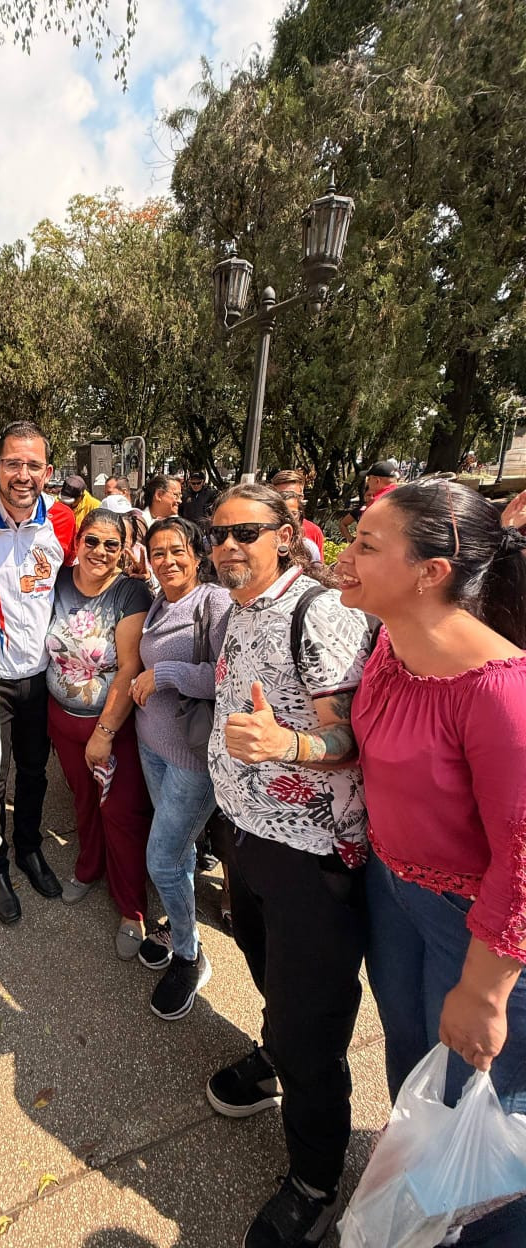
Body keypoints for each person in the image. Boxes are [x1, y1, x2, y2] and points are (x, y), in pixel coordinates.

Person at [338, 480, 526, 1246]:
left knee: (489, 1112)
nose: (342, 558)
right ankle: (418, 1213)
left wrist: (485, 992)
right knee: (417, 1070)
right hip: (393, 892)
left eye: (366, 547)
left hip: (474, 931)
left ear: (430, 571)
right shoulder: (391, 644)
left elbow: (522, 858)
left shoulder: (502, 696)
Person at [204, 483, 372, 1248]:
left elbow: (352, 743)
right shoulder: (240, 609)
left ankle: (314, 1180)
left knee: (313, 1025)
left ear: (285, 536)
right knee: (264, 968)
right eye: (219, 534)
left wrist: (289, 746)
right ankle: (276, 1053)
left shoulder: (321, 613)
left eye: (245, 531)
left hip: (311, 857)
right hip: (246, 836)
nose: (228, 545)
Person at [0, 420, 77, 924]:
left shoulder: (65, 521)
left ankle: (29, 848)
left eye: (32, 465)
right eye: (12, 463)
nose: (22, 474)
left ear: (47, 471)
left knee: (34, 771)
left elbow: (85, 573)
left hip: (41, 675)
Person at [130, 516, 231, 1018]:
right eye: (158, 552)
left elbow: (229, 675)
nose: (167, 561)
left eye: (177, 551)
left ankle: (190, 957)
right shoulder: (158, 602)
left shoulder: (214, 603)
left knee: (163, 860)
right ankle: (179, 922)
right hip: (152, 747)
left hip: (193, 758)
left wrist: (164, 673)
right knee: (180, 852)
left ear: (197, 554)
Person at [45, 509, 153, 958]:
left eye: (112, 545)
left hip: (110, 727)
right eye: (92, 541)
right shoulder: (59, 582)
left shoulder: (130, 592)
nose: (100, 552)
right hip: (61, 719)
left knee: (120, 812)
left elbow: (130, 665)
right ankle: (88, 868)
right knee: (84, 802)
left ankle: (132, 907)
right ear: (78, 542)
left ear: (124, 551)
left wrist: (105, 731)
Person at [269, 470, 324, 561]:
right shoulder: (262, 529)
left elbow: (318, 570)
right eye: (280, 495)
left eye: (292, 495)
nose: (286, 500)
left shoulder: (314, 532)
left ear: (301, 497)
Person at [339, 460, 400, 541]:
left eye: (369, 479)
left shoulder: (377, 503)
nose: (367, 483)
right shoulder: (402, 496)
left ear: (377, 481)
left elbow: (368, 537)